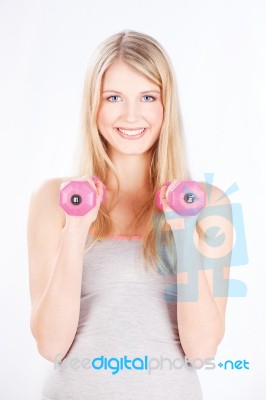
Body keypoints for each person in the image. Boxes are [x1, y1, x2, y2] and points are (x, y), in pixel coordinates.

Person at [27, 29, 233, 400]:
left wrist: (183, 231)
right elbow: (52, 347)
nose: (131, 115)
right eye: (114, 97)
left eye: (148, 97)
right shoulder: (52, 200)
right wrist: (76, 228)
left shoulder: (208, 205)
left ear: (165, 105)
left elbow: (202, 352)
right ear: (94, 104)